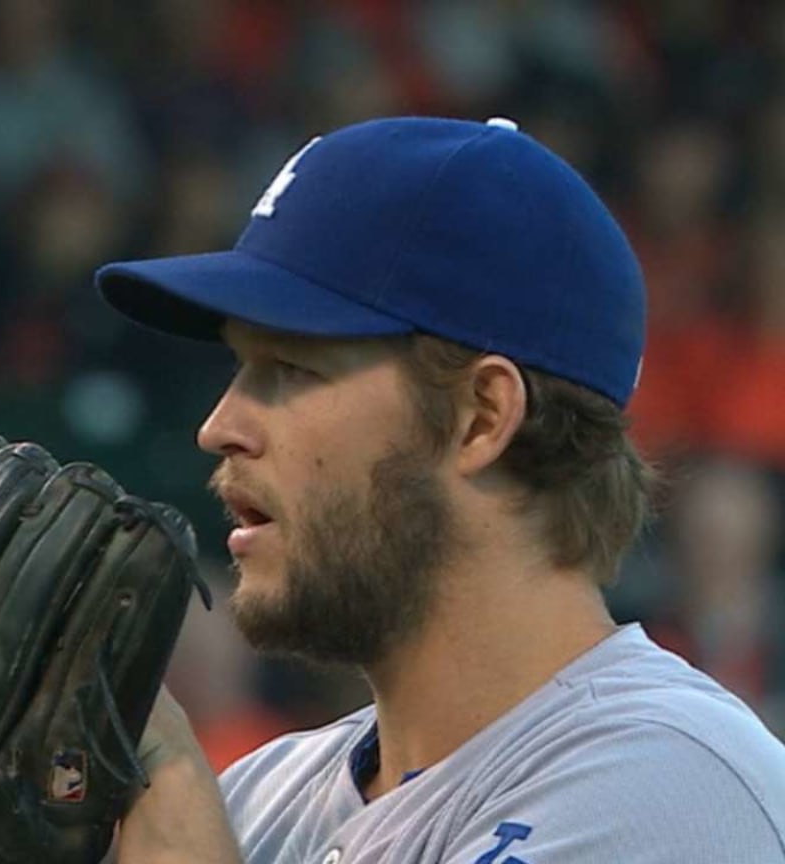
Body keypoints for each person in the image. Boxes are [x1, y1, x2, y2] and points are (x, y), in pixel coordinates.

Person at [81, 116, 785, 861]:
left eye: (290, 367)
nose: (220, 426)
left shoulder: (673, 789)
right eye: (238, 366)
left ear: (481, 417)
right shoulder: (257, 797)